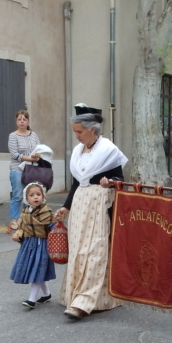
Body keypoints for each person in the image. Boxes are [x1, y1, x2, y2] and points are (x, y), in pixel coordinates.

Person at [54, 106, 128, 321]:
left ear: (93, 130)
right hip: (79, 205)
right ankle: (75, 295)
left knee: (94, 250)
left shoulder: (108, 150)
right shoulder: (78, 152)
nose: (76, 136)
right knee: (78, 250)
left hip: (98, 203)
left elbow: (119, 179)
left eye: (79, 132)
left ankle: (85, 302)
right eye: (75, 131)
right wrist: (66, 207)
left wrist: (111, 182)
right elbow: (77, 182)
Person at [9, 182, 56, 309]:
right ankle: (46, 294)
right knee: (37, 270)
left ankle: (32, 299)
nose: (36, 197)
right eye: (32, 195)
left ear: (43, 196)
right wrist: (17, 235)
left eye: (38, 194)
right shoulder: (25, 211)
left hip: (41, 245)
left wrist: (59, 229)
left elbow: (53, 226)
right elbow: (22, 227)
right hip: (29, 244)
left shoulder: (46, 211)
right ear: (26, 198)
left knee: (36, 270)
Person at [8, 110, 42, 232]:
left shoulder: (34, 135)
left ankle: (28, 219)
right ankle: (14, 220)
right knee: (17, 195)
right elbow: (14, 154)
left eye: (24, 119)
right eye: (19, 119)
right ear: (16, 122)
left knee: (30, 195)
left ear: (28, 121)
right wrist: (29, 158)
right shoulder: (13, 136)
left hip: (32, 169)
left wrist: (38, 156)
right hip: (18, 168)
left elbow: (39, 149)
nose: (22, 121)